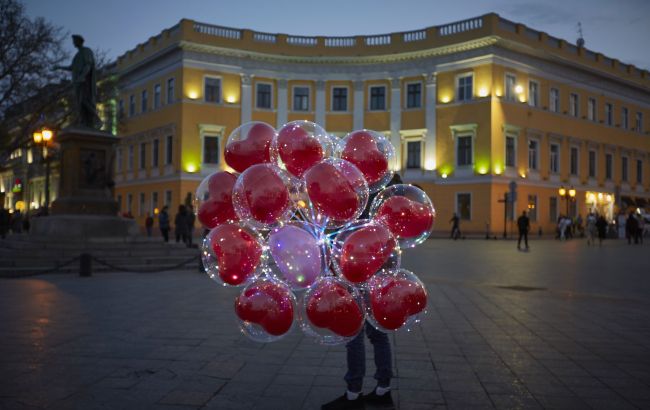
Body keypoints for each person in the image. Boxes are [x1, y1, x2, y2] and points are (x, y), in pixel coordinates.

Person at [322, 174, 402, 410]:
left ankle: (353, 395)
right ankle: (383, 390)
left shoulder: (363, 204)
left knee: (353, 334)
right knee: (377, 334)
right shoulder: (387, 209)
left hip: (358, 276)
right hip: (378, 277)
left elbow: (344, 237)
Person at [53, 35, 101, 128]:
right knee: (79, 103)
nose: (73, 43)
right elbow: (72, 67)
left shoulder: (86, 51)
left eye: (74, 41)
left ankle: (97, 119)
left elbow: (88, 65)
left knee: (85, 100)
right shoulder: (77, 55)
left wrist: (82, 76)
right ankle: (83, 122)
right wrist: (59, 67)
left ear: (79, 41)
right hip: (77, 82)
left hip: (84, 81)